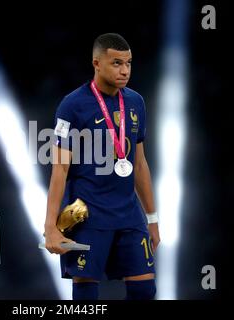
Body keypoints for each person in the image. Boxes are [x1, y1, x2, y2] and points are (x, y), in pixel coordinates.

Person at [44, 33, 160, 300]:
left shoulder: (135, 102)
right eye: (117, 63)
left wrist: (152, 219)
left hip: (129, 214)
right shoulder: (72, 105)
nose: (125, 71)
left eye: (129, 63)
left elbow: (139, 164)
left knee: (144, 289)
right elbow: (59, 170)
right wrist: (50, 225)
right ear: (96, 64)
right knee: (86, 297)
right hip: (87, 215)